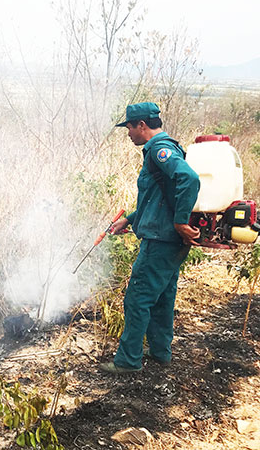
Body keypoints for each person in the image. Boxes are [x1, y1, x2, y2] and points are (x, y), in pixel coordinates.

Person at [99, 102, 201, 374]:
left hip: (161, 240)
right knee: (163, 296)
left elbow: (189, 179)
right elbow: (156, 197)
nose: (129, 133)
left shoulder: (159, 149)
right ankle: (160, 352)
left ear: (142, 125)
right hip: (170, 241)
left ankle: (128, 361)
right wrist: (130, 219)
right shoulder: (165, 148)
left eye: (130, 128)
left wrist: (180, 221)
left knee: (138, 298)